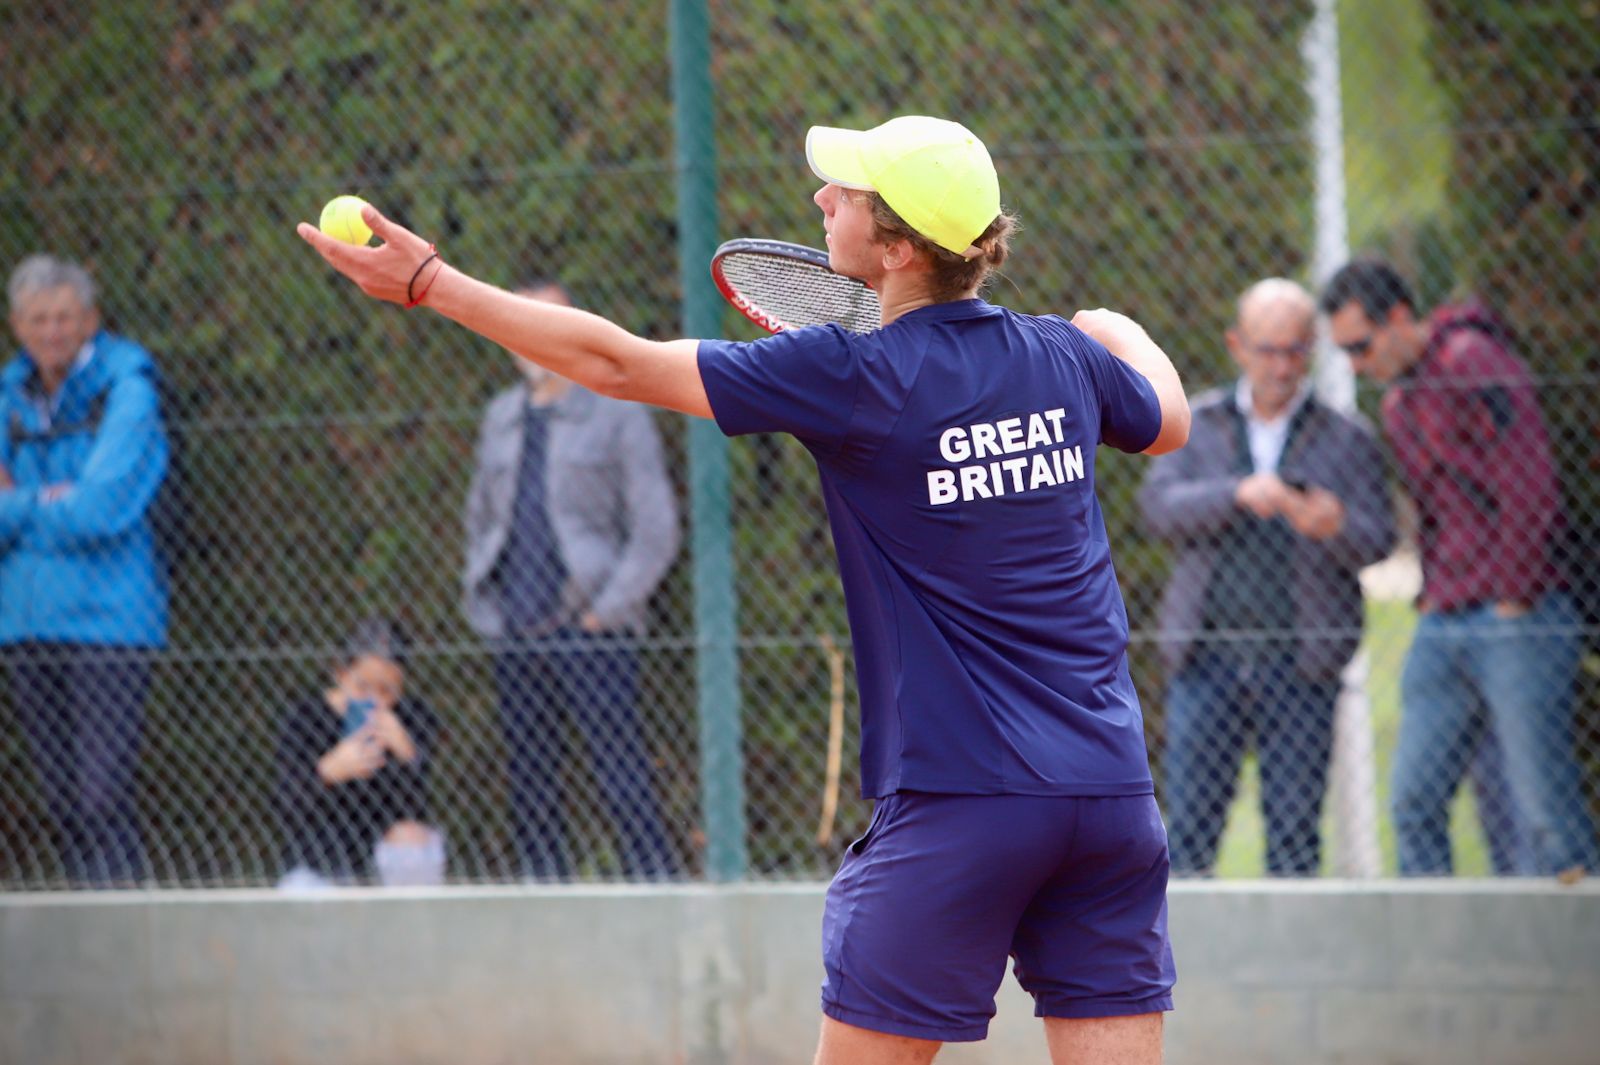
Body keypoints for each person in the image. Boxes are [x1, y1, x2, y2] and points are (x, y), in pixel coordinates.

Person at [300, 114, 1190, 1065]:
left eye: (843, 194)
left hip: (962, 805)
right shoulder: (1064, 355)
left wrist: (431, 283)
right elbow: (1166, 418)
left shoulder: (851, 371)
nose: (821, 199)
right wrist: (1116, 328)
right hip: (1109, 799)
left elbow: (616, 362)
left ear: (893, 250)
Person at [1320, 258, 1599, 881]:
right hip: (1444, 620)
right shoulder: (1398, 404)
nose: (1355, 365)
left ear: (1398, 318)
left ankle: (1569, 964)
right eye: (1343, 351)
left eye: (1361, 345)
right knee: (1414, 801)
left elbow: (1531, 484)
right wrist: (1433, 597)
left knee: (1545, 813)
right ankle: (1438, 962)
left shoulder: (1470, 360)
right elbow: (1436, 516)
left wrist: (1513, 595)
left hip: (1518, 617)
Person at [1139, 278, 1396, 877]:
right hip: (1207, 658)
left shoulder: (1346, 436)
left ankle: (1298, 967)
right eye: (1268, 349)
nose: (1281, 366)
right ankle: (1183, 965)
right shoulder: (1195, 422)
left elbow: (1377, 538)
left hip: (1301, 664)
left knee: (1295, 833)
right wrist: (1236, 493)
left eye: (1296, 351)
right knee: (1190, 832)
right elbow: (1158, 509)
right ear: (1237, 346)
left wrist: (1332, 525)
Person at [462, 279, 681, 880]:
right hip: (514, 626)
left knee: (621, 770)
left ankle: (653, 887)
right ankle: (542, 891)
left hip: (592, 629)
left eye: (546, 323)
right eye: (521, 323)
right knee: (528, 775)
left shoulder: (616, 413)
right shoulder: (500, 418)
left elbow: (656, 528)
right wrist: (486, 604)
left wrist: (604, 612)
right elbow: (481, 517)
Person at [0, 254, 168, 887]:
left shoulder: (130, 389)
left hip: (109, 622)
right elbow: (74, 505)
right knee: (64, 805)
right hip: (23, 621)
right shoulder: (7, 393)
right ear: (17, 324)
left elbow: (102, 509)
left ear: (91, 320)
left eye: (65, 317)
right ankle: (89, 941)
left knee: (103, 799)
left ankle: (128, 922)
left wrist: (17, 503)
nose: (52, 332)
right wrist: (52, 500)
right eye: (39, 319)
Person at [274, 616, 444, 888]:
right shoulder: (304, 717)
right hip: (320, 854)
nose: (374, 701)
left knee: (413, 841)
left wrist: (407, 752)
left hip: (384, 849)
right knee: (302, 889)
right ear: (341, 674)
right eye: (362, 687)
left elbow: (421, 806)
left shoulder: (413, 717)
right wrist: (328, 771)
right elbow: (285, 804)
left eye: (387, 691)